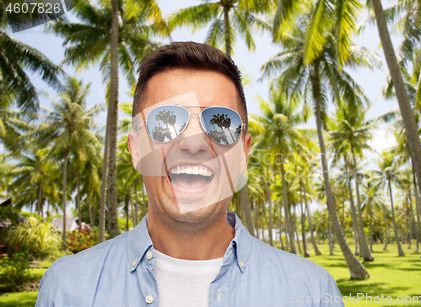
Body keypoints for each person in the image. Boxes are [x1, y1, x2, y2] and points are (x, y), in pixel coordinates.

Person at [35, 41, 344, 307]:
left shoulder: (313, 292)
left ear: (243, 153)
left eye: (220, 124)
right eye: (166, 122)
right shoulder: (65, 289)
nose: (193, 143)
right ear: (136, 149)